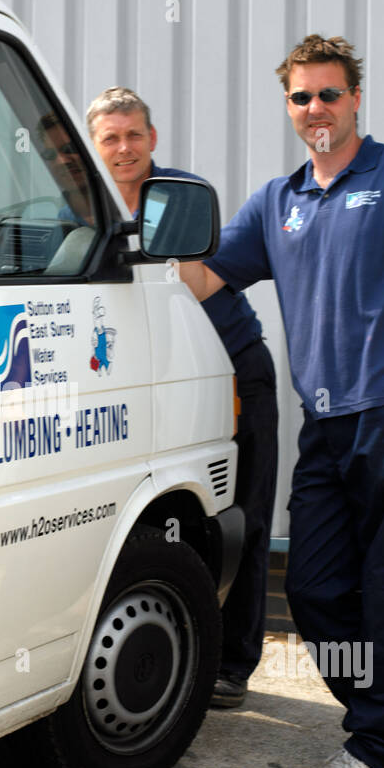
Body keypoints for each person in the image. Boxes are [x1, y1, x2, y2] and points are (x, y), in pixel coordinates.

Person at [177, 36, 384, 768]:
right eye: (302, 97)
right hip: (325, 424)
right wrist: (144, 221)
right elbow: (205, 274)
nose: (316, 109)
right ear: (288, 106)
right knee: (312, 588)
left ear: (355, 98)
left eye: (329, 94)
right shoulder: (279, 202)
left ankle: (374, 744)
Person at [87, 86, 278, 710]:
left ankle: (233, 665)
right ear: (94, 145)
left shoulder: (180, 197)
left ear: (153, 139)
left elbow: (193, 286)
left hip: (231, 371)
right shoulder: (79, 206)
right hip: (150, 381)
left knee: (242, 520)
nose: (124, 149)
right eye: (110, 138)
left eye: (134, 135)